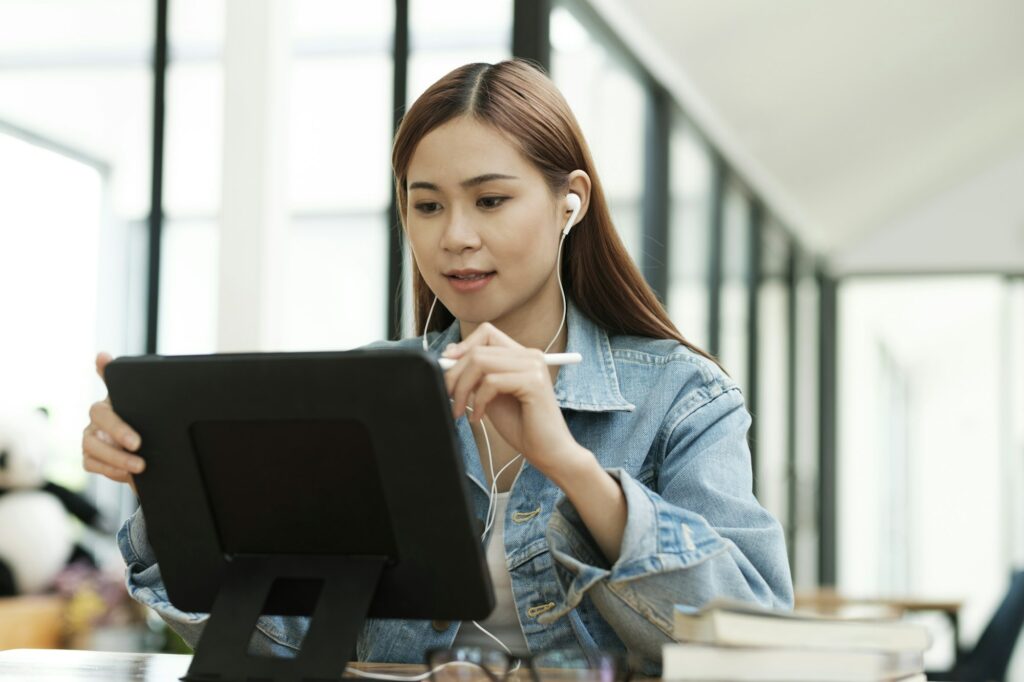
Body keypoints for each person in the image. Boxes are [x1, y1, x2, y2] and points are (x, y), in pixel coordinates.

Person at [82, 59, 793, 670]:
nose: (455, 236)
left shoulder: (682, 396)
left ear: (569, 200)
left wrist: (571, 466)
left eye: (490, 200)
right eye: (427, 206)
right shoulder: (362, 394)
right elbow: (278, 638)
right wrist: (169, 482)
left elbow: (755, 643)